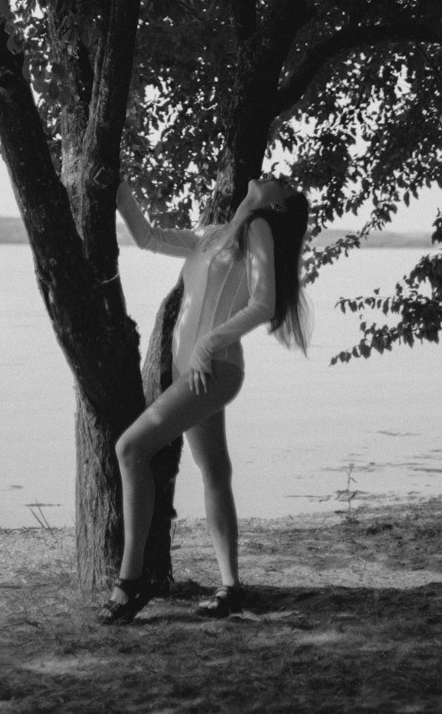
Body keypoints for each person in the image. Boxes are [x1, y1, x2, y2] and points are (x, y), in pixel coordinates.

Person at [97, 173, 310, 625]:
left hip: (213, 369)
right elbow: (149, 238)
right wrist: (120, 191)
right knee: (215, 470)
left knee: (130, 449)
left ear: (277, 206)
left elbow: (264, 303)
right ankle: (231, 587)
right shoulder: (214, 235)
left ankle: (132, 580)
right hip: (190, 371)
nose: (275, 176)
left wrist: (209, 344)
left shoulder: (258, 228)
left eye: (284, 185)